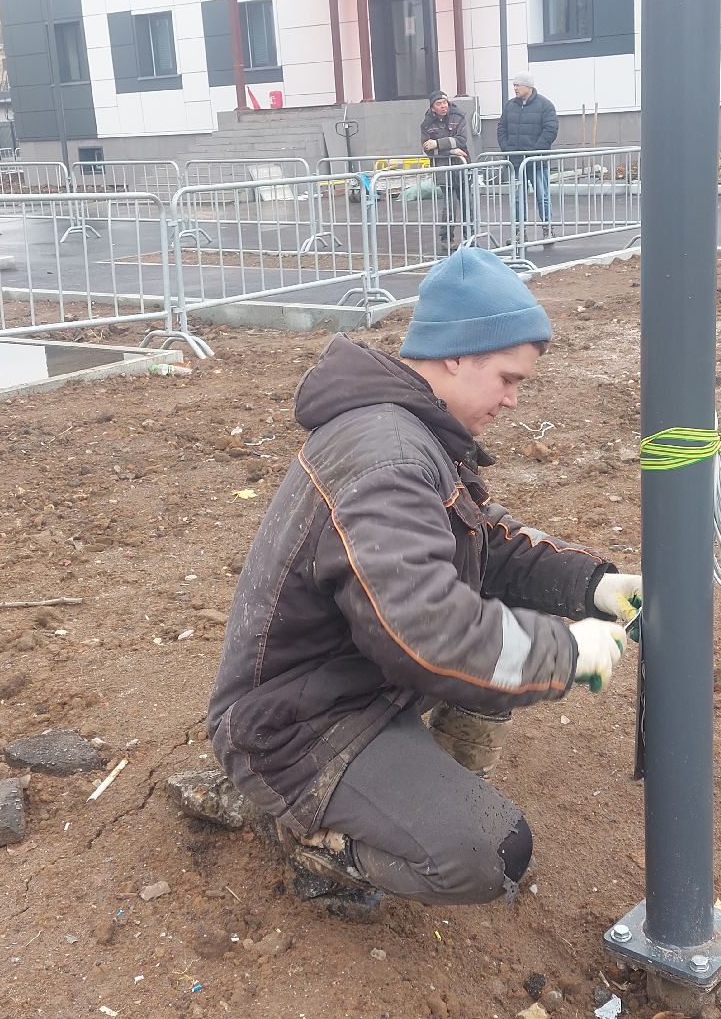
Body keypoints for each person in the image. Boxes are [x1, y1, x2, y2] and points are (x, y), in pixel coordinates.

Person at [187, 246, 641, 913]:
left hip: (354, 686)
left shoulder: (415, 432)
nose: (514, 401)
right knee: (491, 855)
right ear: (457, 353)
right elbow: (426, 634)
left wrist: (592, 583)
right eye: (508, 378)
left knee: (491, 634)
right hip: (294, 728)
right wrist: (566, 653)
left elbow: (487, 542)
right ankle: (319, 841)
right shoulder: (389, 458)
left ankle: (414, 785)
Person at [496, 71, 559, 241]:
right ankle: (519, 232)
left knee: (542, 196)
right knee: (518, 198)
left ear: (528, 86)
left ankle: (547, 228)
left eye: (518, 85)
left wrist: (534, 150)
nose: (515, 88)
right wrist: (507, 149)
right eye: (514, 85)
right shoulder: (510, 106)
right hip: (516, 161)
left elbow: (550, 130)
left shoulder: (545, 105)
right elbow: (501, 128)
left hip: (536, 161)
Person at [420, 89, 474, 253]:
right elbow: (427, 149)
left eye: (445, 102)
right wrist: (450, 150)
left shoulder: (459, 116)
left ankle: (470, 237)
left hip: (462, 166)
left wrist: (437, 143)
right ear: (432, 107)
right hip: (443, 169)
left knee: (468, 204)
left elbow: (462, 140)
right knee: (450, 205)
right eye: (439, 104)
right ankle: (446, 239)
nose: (443, 106)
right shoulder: (426, 125)